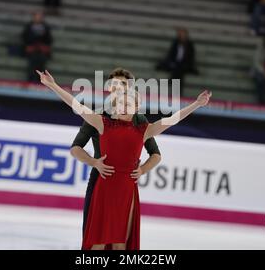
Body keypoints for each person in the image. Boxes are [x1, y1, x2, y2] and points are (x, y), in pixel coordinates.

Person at [35, 69, 212, 250]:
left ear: (137, 107)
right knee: (98, 241)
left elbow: (173, 119)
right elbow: (75, 104)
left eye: (128, 102)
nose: (123, 104)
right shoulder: (101, 122)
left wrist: (196, 104)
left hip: (127, 187)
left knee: (121, 243)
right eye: (120, 102)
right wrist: (52, 85)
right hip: (103, 185)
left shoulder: (144, 129)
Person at [70, 68, 162, 247]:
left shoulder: (139, 119)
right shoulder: (98, 116)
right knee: (94, 238)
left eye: (123, 85)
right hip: (100, 179)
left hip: (124, 184)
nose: (117, 88)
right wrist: (94, 162)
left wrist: (142, 169)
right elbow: (75, 148)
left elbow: (156, 155)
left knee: (120, 241)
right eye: (114, 84)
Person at [156, 28, 198, 96]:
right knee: (174, 68)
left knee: (179, 70)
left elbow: (191, 58)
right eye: (180, 34)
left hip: (185, 65)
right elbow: (170, 54)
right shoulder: (175, 43)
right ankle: (174, 86)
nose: (181, 36)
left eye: (183, 34)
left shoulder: (189, 45)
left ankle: (172, 82)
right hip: (175, 64)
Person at [22, 11, 52, 83]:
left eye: (40, 17)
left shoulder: (45, 27)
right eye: (37, 17)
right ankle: (30, 80)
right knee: (32, 65)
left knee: (41, 64)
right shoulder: (29, 26)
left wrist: (41, 42)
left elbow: (49, 39)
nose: (38, 18)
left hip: (42, 50)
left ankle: (40, 81)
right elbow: (24, 37)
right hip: (32, 50)